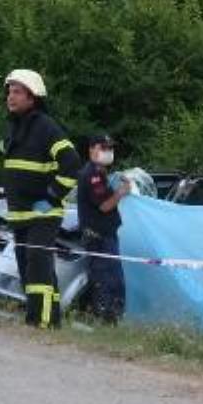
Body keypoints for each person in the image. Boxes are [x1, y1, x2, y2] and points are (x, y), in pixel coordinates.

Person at [0, 69, 81, 329]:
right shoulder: (13, 127)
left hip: (42, 214)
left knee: (38, 266)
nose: (11, 97)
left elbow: (72, 164)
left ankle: (42, 322)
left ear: (33, 98)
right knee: (28, 267)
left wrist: (52, 196)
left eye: (18, 92)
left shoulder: (46, 127)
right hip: (20, 213)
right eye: (9, 91)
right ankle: (46, 317)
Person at [76, 134, 131, 324]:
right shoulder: (92, 175)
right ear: (92, 149)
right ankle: (106, 320)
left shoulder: (100, 173)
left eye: (110, 148)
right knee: (106, 280)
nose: (108, 152)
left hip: (105, 235)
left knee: (113, 279)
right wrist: (122, 192)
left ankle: (111, 319)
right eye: (104, 148)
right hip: (99, 238)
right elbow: (105, 206)